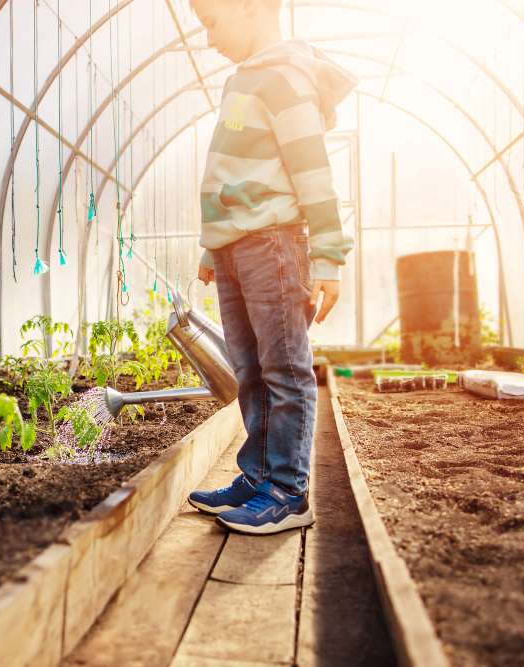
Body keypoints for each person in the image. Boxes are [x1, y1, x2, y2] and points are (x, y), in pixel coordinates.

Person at [186, 0, 357, 535]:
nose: (209, 37)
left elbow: (314, 175)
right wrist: (212, 244)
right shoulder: (242, 82)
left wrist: (327, 256)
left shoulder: (284, 79)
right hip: (235, 248)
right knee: (250, 369)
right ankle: (258, 474)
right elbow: (228, 174)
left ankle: (288, 490)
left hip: (274, 246)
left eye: (212, 21)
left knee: (284, 369)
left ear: (251, 7)